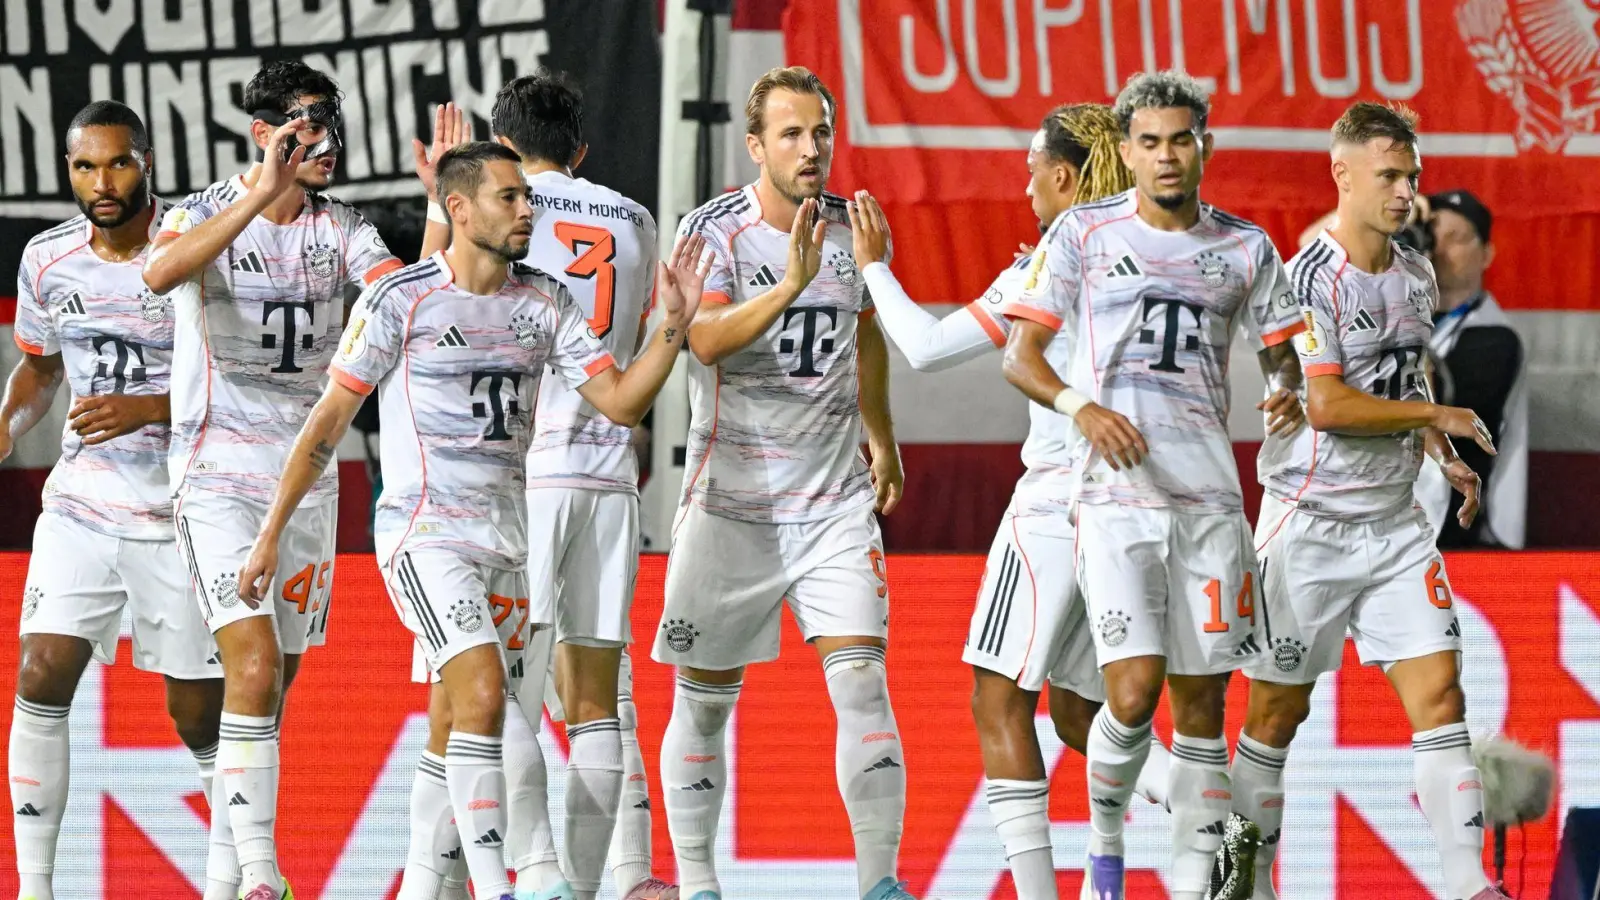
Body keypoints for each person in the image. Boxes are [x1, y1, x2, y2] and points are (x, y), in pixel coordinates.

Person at [235, 141, 703, 900]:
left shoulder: (544, 301)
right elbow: (326, 423)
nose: (529, 210)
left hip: (507, 543)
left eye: (528, 197)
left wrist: (672, 330)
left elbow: (621, 403)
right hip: (425, 537)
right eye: (511, 198)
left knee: (458, 719)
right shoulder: (401, 300)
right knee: (487, 693)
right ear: (459, 208)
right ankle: (519, 879)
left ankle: (423, 885)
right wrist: (269, 533)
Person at [848, 105, 1212, 899]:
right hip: (1138, 506)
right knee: (1082, 716)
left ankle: (1158, 830)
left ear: (1065, 176)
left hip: (1055, 505)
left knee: (998, 697)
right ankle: (1210, 808)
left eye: (1031, 167)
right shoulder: (1149, 248)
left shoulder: (1054, 257)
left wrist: (875, 266)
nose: (1023, 184)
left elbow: (925, 348)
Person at [999, 70, 1306, 900]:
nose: (1167, 157)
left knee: (1202, 713)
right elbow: (1018, 356)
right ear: (1127, 151)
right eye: (1150, 142)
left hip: (1209, 503)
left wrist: (1288, 390)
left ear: (1203, 146)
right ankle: (1105, 849)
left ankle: (1194, 883)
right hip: (1116, 498)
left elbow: (1284, 355)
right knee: (1130, 696)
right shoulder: (1085, 235)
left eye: (1182, 140)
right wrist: (1082, 408)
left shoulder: (1245, 248)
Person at [140, 59, 425, 900]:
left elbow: (401, 299)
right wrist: (258, 197)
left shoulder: (344, 227)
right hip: (217, 470)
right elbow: (157, 275)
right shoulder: (201, 211)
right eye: (306, 123)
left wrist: (439, 228)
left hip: (305, 481)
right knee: (254, 667)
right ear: (264, 134)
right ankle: (265, 876)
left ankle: (225, 877)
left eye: (332, 121)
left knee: (273, 683)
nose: (326, 140)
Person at [652, 66, 913, 900]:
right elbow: (705, 340)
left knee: (865, 679)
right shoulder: (714, 232)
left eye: (822, 132)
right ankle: (698, 885)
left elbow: (867, 331)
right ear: (756, 145)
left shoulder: (855, 227)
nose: (811, 150)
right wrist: (793, 283)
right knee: (703, 703)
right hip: (732, 505)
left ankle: (879, 884)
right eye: (792, 134)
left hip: (832, 503)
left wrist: (881, 432)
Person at [1237, 103, 1508, 900]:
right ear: (1343, 174)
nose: (1405, 193)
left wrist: (1440, 451)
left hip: (1394, 526)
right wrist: (1437, 415)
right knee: (1275, 719)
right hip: (1308, 525)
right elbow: (1325, 406)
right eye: (1388, 176)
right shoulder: (1305, 278)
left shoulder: (1416, 271)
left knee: (1441, 696)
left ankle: (1468, 885)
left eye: (1412, 176)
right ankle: (1246, 881)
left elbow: (1403, 375)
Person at [1, 101, 222, 900]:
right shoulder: (48, 260)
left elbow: (251, 381)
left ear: (149, 161)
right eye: (84, 166)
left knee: (199, 719)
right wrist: (4, 427)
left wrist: (151, 407)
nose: (101, 182)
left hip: (183, 512)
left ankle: (239, 874)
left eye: (118, 163)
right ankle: (34, 888)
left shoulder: (198, 246)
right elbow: (41, 367)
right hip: (83, 503)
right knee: (39, 671)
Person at [1418, 189, 1526, 549]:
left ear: (1486, 254)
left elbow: (1442, 405)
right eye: (1434, 236)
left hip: (1466, 528)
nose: (1441, 250)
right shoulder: (1409, 319)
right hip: (1406, 522)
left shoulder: (1497, 338)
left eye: (1457, 237)